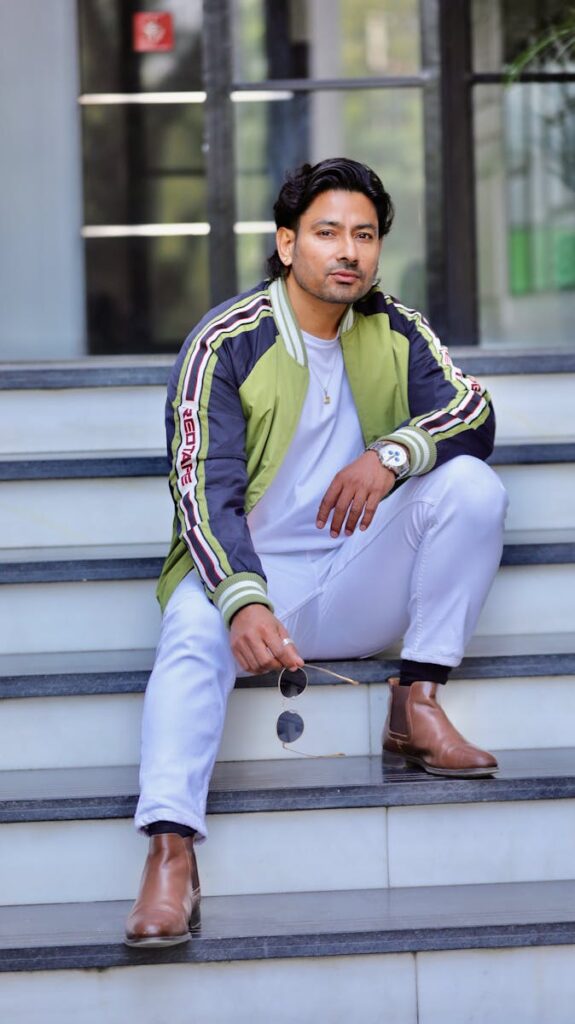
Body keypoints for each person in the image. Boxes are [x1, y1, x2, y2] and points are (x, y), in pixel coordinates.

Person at [125, 157, 508, 948]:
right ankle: (170, 851)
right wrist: (243, 595)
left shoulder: (392, 325)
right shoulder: (226, 344)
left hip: (356, 579)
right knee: (192, 632)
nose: (348, 252)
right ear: (286, 242)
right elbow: (199, 488)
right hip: (251, 586)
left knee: (470, 486)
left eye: (363, 236)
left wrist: (393, 454)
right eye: (328, 232)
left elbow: (473, 411)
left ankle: (416, 700)